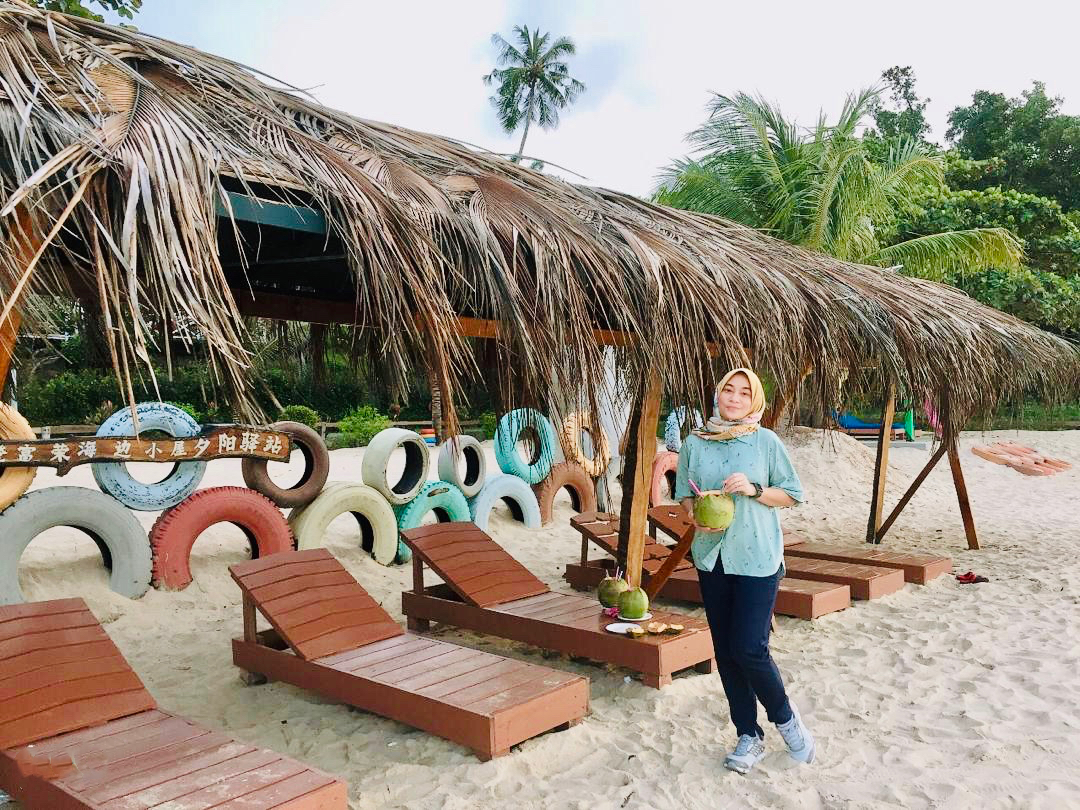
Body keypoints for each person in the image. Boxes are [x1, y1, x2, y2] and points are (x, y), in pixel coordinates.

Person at [674, 367, 815, 774]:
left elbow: (791, 494)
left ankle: (787, 721)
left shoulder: (765, 441)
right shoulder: (694, 444)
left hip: (758, 557)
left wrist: (753, 490)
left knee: (749, 648)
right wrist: (693, 517)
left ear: (754, 400)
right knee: (726, 651)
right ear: (717, 395)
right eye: (727, 391)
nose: (733, 398)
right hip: (712, 556)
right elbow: (685, 496)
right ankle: (748, 734)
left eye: (742, 392)